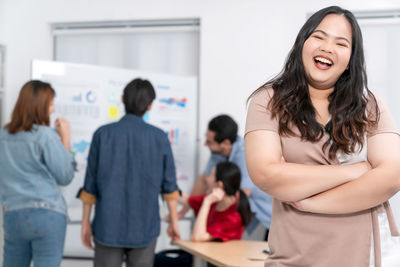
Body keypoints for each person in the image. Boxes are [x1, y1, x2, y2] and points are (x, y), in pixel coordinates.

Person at [245, 6, 400, 267]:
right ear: (302, 43)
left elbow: (391, 176)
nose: (327, 47)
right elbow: (266, 174)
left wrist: (309, 203)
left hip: (363, 256)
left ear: (351, 58)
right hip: (292, 257)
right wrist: (355, 171)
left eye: (341, 43)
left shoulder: (370, 106)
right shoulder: (268, 100)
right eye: (319, 36)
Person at [77, 78, 181, 267]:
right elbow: (169, 187)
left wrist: (85, 222)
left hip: (107, 225)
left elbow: (89, 186)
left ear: (123, 98)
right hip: (145, 226)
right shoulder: (159, 138)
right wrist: (174, 222)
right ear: (150, 106)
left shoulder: (102, 134)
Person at [0, 80, 75, 267]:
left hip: (13, 214)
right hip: (46, 213)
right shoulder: (45, 135)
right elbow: (65, 175)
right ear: (39, 106)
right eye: (50, 104)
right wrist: (66, 138)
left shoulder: (2, 136)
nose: (53, 109)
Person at [174, 114, 272, 240]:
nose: (205, 144)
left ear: (225, 143)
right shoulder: (217, 152)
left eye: (209, 142)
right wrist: (182, 212)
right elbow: (203, 180)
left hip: (263, 210)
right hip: (239, 210)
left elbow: (243, 194)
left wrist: (211, 207)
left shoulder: (246, 154)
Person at [154, 161, 253, 267]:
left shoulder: (233, 218)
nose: (207, 179)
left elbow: (197, 237)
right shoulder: (215, 200)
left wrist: (207, 203)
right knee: (155, 259)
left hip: (215, 262)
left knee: (154, 260)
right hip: (201, 256)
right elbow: (186, 200)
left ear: (219, 185)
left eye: (211, 175)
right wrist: (165, 185)